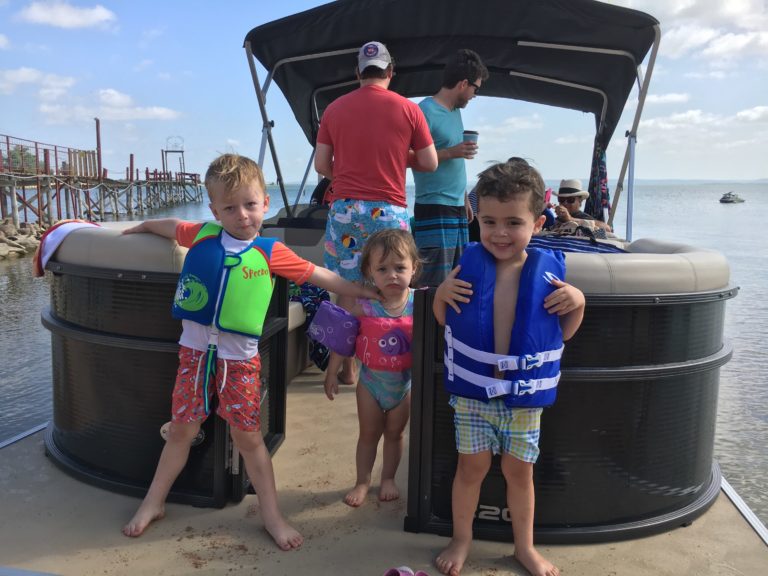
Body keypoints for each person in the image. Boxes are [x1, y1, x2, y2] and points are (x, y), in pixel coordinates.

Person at [120, 154, 379, 550]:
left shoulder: (270, 252)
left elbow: (319, 275)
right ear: (214, 210)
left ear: (265, 203)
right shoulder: (203, 234)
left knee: (249, 439)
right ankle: (153, 503)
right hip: (194, 356)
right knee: (182, 431)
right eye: (230, 207)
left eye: (250, 204)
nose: (242, 215)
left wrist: (362, 291)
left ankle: (272, 515)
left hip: (239, 362)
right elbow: (172, 226)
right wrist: (142, 224)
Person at [432, 161, 585, 576]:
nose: (500, 232)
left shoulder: (549, 278)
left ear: (536, 223)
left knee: (520, 473)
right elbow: (444, 320)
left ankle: (524, 547)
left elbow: (564, 334)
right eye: (489, 221)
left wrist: (579, 302)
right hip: (472, 398)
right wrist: (441, 293)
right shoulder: (466, 266)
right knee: (471, 469)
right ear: (476, 219)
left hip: (523, 402)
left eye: (513, 222)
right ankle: (461, 538)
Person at [314, 40, 437, 387]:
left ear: (358, 73)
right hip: (389, 212)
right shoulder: (409, 109)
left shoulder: (334, 109)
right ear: (390, 72)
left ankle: (346, 368)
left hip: (345, 210)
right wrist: (400, 155)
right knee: (389, 282)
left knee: (346, 287)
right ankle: (387, 354)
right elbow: (429, 162)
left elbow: (323, 165)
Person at [323, 229, 419, 507]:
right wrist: (332, 372)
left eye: (400, 267)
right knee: (368, 435)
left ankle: (387, 478)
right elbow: (344, 339)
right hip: (370, 384)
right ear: (369, 272)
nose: (392, 275)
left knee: (395, 434)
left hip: (404, 385)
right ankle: (362, 481)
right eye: (383, 268)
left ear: (414, 268)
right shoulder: (366, 307)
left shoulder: (419, 304)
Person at [413, 49, 489, 286]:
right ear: (463, 83)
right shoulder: (424, 111)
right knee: (433, 281)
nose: (475, 95)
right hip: (433, 205)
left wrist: (464, 198)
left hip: (456, 206)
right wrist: (451, 152)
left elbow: (453, 165)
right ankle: (427, 324)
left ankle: (448, 325)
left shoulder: (455, 112)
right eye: (475, 88)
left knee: (458, 277)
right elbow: (407, 156)